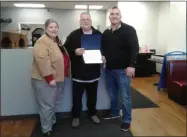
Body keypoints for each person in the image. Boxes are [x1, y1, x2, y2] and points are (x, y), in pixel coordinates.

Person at [101, 6, 139, 131]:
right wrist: (102, 57)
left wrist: (132, 65)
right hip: (109, 70)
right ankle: (115, 112)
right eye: (112, 14)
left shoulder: (129, 30)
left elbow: (134, 48)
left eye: (116, 14)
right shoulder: (106, 32)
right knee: (112, 95)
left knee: (125, 97)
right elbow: (103, 49)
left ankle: (127, 120)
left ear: (120, 16)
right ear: (109, 16)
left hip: (123, 70)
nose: (114, 16)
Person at [31, 19, 70, 136]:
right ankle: (46, 128)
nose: (54, 29)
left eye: (56, 27)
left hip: (58, 78)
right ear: (46, 28)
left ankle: (51, 122)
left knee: (53, 103)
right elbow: (42, 61)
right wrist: (49, 78)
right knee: (47, 105)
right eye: (51, 27)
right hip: (45, 80)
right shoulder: (42, 41)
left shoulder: (56, 40)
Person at [63, 12, 102, 128]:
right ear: (80, 22)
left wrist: (103, 56)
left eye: (87, 19)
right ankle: (76, 117)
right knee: (76, 98)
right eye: (83, 19)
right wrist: (75, 52)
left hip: (94, 73)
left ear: (91, 21)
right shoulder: (74, 35)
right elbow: (65, 50)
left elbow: (104, 49)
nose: (85, 21)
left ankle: (93, 114)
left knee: (93, 97)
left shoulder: (98, 34)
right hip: (78, 74)